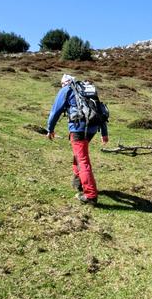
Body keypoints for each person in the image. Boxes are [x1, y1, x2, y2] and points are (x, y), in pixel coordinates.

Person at [46, 74, 108, 205]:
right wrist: (104, 132)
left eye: (62, 84)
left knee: (82, 160)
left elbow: (55, 111)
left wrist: (50, 129)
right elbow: (99, 109)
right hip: (92, 128)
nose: (62, 86)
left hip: (78, 128)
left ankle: (90, 195)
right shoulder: (86, 90)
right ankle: (78, 183)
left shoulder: (67, 89)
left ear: (65, 82)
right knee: (78, 155)